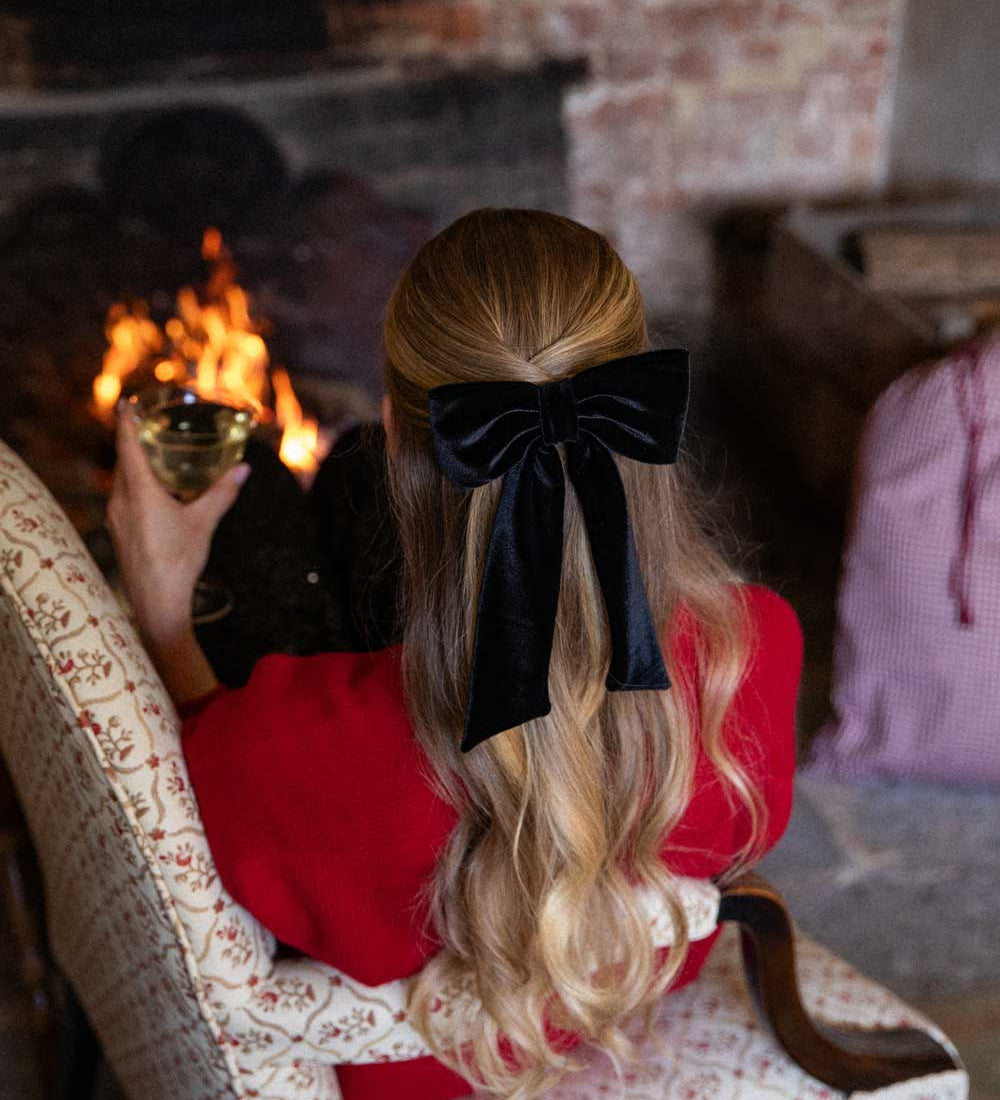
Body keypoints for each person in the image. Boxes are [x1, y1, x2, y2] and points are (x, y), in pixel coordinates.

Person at [107, 208, 803, 1100]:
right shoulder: (755, 649)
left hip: (413, 1076)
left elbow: (195, 782)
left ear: (401, 429)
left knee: (302, 500)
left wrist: (164, 616)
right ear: (643, 420)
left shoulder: (289, 746)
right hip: (621, 1009)